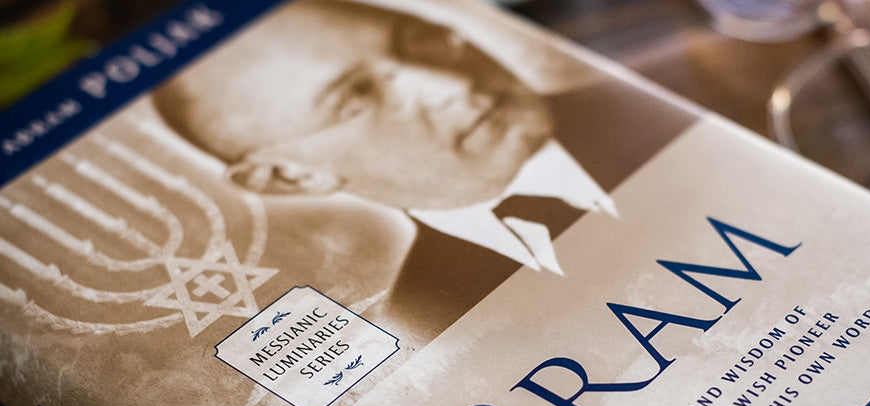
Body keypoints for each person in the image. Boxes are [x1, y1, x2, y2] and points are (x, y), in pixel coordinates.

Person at [153, 0, 695, 342]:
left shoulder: (693, 82)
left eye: (420, 41)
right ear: (289, 177)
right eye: (358, 97)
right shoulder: (425, 320)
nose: (450, 83)